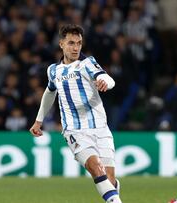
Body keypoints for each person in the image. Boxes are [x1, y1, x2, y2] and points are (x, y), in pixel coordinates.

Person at [29, 24, 122, 203]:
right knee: (96, 168)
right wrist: (38, 120)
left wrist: (105, 82)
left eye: (79, 43)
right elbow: (50, 92)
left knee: (109, 180)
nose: (76, 47)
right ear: (61, 44)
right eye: (71, 43)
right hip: (75, 130)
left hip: (101, 128)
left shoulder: (87, 64)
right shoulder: (53, 70)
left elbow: (107, 78)